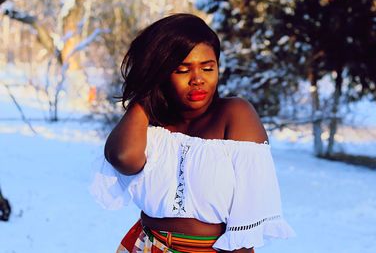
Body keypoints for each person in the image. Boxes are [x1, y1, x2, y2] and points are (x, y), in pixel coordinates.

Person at [91, 13, 294, 253]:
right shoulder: (152, 122)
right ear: (161, 74)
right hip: (146, 246)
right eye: (182, 70)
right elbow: (123, 158)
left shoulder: (235, 115)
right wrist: (145, 95)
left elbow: (246, 219)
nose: (197, 79)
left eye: (208, 68)